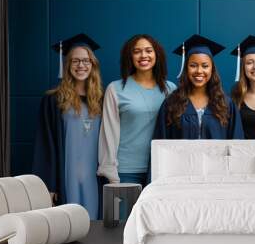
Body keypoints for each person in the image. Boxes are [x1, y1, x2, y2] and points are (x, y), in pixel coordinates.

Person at [33, 33, 103, 219]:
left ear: (93, 65)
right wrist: (48, 185)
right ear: (67, 65)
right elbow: (45, 146)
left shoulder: (102, 100)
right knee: (69, 225)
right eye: (75, 61)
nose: (81, 65)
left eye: (86, 61)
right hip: (66, 176)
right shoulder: (53, 100)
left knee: (95, 225)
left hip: (94, 179)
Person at [98, 34, 176, 187]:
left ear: (156, 54)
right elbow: (108, 132)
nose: (143, 55)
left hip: (160, 168)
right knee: (124, 212)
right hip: (126, 170)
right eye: (137, 51)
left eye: (148, 50)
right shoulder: (116, 89)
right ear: (130, 56)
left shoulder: (170, 90)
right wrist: (110, 171)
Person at [153, 34, 244, 140]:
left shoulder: (226, 105)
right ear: (186, 68)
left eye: (205, 66)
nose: (199, 71)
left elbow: (237, 144)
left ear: (212, 69)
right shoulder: (171, 104)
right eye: (193, 65)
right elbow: (160, 144)